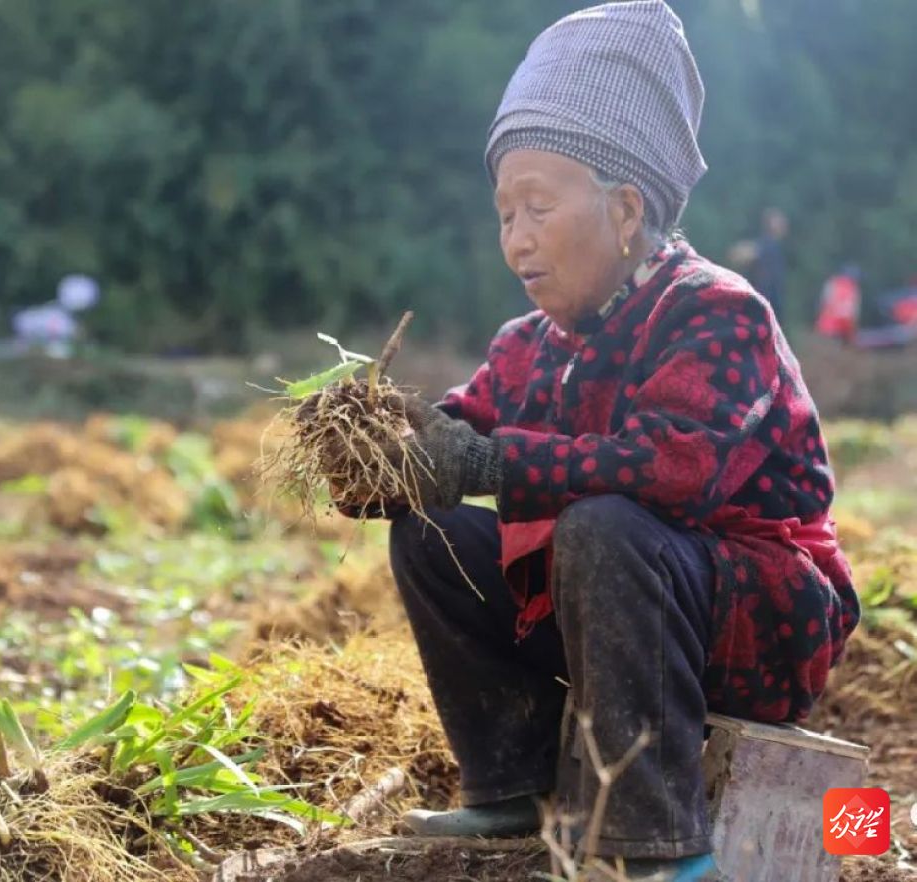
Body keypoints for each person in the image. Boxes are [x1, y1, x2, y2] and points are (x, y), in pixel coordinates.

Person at [321, 3, 859, 879]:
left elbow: (674, 470)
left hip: (758, 623)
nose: (517, 240)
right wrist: (390, 461)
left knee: (604, 522)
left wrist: (489, 464)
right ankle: (514, 787)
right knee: (435, 536)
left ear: (625, 208)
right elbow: (460, 432)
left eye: (538, 205)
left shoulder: (717, 314)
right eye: (504, 214)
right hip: (604, 613)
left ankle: (655, 843)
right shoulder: (526, 344)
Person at [747, 207, 789, 326]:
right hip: (765, 301)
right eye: (779, 222)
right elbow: (745, 253)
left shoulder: (775, 246)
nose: (783, 225)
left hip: (770, 302)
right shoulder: (766, 244)